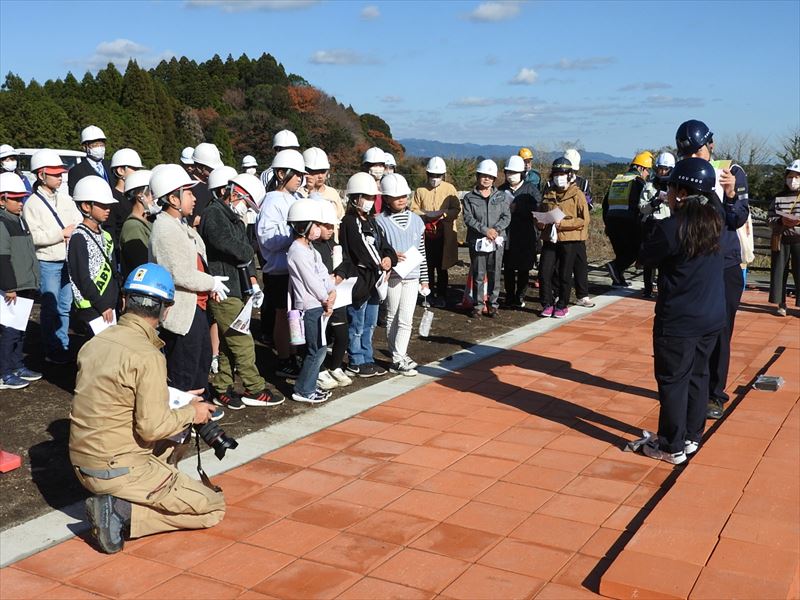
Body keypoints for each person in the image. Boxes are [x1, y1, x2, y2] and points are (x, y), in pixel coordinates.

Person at [70, 263, 225, 554]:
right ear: (165, 309)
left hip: (83, 462)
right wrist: (194, 412)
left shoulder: (94, 343)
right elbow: (151, 427)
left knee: (169, 437)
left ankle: (139, 494)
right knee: (212, 507)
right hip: (117, 468)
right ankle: (119, 512)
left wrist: (176, 397)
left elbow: (114, 393)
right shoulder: (148, 355)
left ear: (125, 300)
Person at [639, 158, 724, 464]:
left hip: (679, 319)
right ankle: (691, 436)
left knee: (673, 379)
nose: (669, 194)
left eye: (672, 188)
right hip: (712, 315)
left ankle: (670, 445)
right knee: (699, 375)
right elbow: (712, 198)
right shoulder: (717, 219)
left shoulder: (670, 227)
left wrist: (651, 219)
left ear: (681, 192)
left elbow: (644, 257)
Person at [675, 119, 750, 420]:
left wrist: (731, 196)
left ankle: (714, 394)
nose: (693, 159)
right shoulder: (683, 173)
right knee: (691, 328)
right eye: (687, 155)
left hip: (725, 263)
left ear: (711, 145)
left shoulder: (731, 172)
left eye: (697, 152)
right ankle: (691, 387)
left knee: (720, 331)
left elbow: (738, 218)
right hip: (694, 262)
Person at [148, 165, 230, 411]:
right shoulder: (164, 228)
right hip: (181, 312)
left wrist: (209, 285)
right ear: (173, 198)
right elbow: (179, 273)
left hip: (194, 306)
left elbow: (196, 263)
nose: (194, 198)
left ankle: (197, 412)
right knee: (185, 368)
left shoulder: (179, 225)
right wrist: (211, 282)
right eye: (188, 193)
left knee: (200, 361)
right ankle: (182, 417)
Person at [199, 172, 283, 410]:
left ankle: (223, 386)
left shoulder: (230, 217)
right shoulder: (214, 213)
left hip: (233, 286)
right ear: (235, 194)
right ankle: (254, 387)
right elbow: (237, 248)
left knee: (228, 342)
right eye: (245, 204)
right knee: (241, 339)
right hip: (223, 287)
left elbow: (244, 248)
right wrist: (247, 250)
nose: (245, 209)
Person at [23, 149, 82, 364]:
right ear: (41, 175)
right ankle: (52, 348)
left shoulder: (65, 198)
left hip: (66, 260)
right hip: (47, 261)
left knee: (65, 306)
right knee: (50, 307)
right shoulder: (31, 204)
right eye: (55, 174)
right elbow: (33, 236)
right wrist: (61, 234)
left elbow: (77, 220)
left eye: (60, 173)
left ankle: (62, 344)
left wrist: (71, 232)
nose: (60, 177)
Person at [339, 172, 396, 377]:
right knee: (357, 323)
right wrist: (382, 265)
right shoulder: (349, 221)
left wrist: (389, 260)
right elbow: (362, 249)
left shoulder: (373, 221)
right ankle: (356, 360)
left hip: (375, 281)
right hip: (360, 281)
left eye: (373, 197)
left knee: (370, 323)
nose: (371, 201)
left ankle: (367, 357)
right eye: (367, 197)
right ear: (355, 198)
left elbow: (385, 245)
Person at [256, 149, 307, 379]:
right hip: (278, 270)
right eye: (295, 173)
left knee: (295, 314)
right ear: (280, 173)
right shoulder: (271, 201)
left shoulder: (296, 199)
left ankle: (294, 352)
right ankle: (284, 358)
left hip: (295, 268)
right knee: (282, 314)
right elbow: (266, 237)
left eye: (301, 174)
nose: (300, 178)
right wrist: (294, 235)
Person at [376, 174, 428, 376]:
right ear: (386, 198)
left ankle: (399, 356)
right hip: (393, 276)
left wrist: (425, 279)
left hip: (412, 275)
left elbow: (422, 251)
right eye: (395, 196)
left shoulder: (416, 221)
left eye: (404, 195)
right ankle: (397, 355)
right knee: (392, 315)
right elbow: (378, 248)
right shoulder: (380, 222)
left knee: (406, 318)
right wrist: (388, 256)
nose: (401, 199)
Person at [286, 199, 336, 403]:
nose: (318, 229)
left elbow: (322, 273)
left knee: (318, 348)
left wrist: (332, 290)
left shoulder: (310, 249)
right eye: (315, 224)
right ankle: (304, 390)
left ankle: (308, 385)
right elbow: (311, 280)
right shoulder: (297, 250)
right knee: (317, 349)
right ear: (303, 226)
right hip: (309, 306)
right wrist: (326, 298)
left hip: (318, 304)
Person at [0, 172, 41, 389]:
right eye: (15, 199)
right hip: (12, 287)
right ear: (2, 199)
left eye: (21, 198)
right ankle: (4, 373)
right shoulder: (2, 222)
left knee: (20, 329)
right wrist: (8, 286)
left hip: (25, 284)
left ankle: (16, 365)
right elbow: (2, 257)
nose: (20, 202)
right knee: (9, 330)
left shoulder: (18, 219)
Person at [537, 157, 590, 319]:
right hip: (550, 238)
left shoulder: (577, 194)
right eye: (556, 174)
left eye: (563, 173)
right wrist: (540, 222)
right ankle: (547, 303)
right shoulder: (548, 193)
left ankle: (562, 305)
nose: (559, 177)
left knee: (565, 274)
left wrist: (564, 224)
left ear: (570, 175)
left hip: (570, 239)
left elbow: (584, 220)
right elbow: (541, 212)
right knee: (544, 271)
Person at [67, 176, 120, 331]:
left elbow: (113, 271)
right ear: (85, 206)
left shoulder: (106, 235)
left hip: (108, 306)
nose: (108, 209)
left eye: (108, 205)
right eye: (103, 205)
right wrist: (102, 305)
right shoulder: (78, 238)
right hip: (92, 307)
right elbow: (81, 278)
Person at [312, 202, 353, 389]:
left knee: (342, 334)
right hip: (319, 298)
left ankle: (335, 366)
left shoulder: (332, 244)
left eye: (332, 226)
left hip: (338, 296)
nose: (330, 230)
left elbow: (345, 262)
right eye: (326, 226)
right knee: (321, 336)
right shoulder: (310, 247)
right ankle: (319, 370)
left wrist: (339, 275)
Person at [462, 159, 510, 318]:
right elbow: (468, 218)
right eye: (484, 175)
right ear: (478, 176)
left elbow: (506, 216)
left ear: (494, 179)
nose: (486, 179)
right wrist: (485, 230)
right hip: (478, 241)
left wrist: (495, 230)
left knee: (495, 273)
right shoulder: (469, 197)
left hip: (496, 241)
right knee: (478, 274)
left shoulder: (501, 196)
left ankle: (493, 304)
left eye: (490, 176)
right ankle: (478, 305)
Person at [411, 157, 461, 308]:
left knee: (442, 267)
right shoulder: (420, 190)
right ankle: (429, 295)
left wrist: (444, 215)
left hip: (444, 234)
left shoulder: (450, 189)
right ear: (427, 174)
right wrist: (425, 216)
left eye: (438, 176)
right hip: (426, 234)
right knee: (427, 266)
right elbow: (413, 209)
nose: (435, 178)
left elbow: (457, 208)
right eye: (432, 175)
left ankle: (442, 295)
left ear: (443, 176)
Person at [603, 151, 653, 287]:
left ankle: (618, 279)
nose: (648, 174)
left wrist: (606, 224)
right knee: (634, 252)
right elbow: (643, 204)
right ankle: (615, 267)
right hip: (628, 223)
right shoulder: (638, 182)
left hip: (612, 222)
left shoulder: (617, 180)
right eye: (647, 170)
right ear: (641, 168)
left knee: (622, 253)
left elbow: (605, 204)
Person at [500, 155, 541, 308]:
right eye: (508, 173)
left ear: (522, 173)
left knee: (524, 268)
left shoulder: (531, 190)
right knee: (509, 267)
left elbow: (538, 208)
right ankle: (509, 296)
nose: (511, 176)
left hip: (526, 235)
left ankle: (520, 296)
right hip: (508, 235)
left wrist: (519, 209)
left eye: (514, 173)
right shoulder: (501, 190)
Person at [639, 152, 675, 297]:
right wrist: (655, 201)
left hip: (668, 224)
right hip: (651, 224)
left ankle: (663, 289)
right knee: (649, 260)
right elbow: (641, 207)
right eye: (660, 168)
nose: (662, 172)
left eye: (665, 169)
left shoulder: (675, 186)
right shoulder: (649, 185)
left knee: (666, 260)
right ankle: (647, 289)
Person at [768, 159, 800, 316]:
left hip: (799, 239)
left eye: (797, 177)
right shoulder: (778, 197)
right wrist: (780, 220)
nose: (792, 180)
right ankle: (781, 303)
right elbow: (769, 218)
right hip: (782, 238)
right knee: (779, 272)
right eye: (790, 176)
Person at [119, 170, 157, 279]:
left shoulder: (148, 221)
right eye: (152, 193)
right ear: (140, 196)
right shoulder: (133, 227)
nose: (155, 198)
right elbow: (141, 265)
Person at [107, 149, 144, 253]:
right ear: (121, 170)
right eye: (135, 169)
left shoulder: (138, 197)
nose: (138, 173)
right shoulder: (111, 199)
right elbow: (110, 233)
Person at [301, 147, 345, 227]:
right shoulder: (299, 193)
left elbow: (341, 218)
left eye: (323, 171)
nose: (320, 176)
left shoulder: (332, 193)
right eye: (316, 172)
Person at [68, 126, 113, 196]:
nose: (99, 148)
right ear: (84, 147)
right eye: (95, 145)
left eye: (102, 144)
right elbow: (74, 196)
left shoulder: (111, 166)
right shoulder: (76, 171)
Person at [190, 143, 224, 224]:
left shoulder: (215, 184)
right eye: (211, 168)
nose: (214, 171)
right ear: (200, 167)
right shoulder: (188, 185)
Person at [362, 147, 386, 213]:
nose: (378, 169)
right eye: (374, 165)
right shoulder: (360, 186)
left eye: (381, 165)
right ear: (366, 167)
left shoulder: (387, 186)